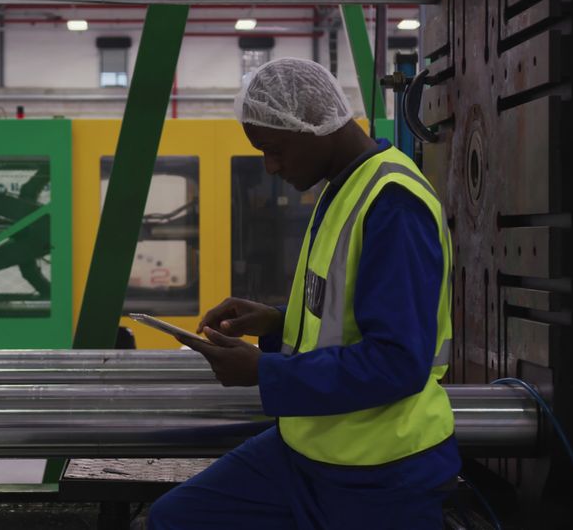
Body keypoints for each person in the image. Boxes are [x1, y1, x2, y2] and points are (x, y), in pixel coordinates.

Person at [147, 58, 459, 529]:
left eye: (274, 150)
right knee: (175, 519)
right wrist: (274, 323)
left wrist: (263, 373)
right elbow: (341, 318)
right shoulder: (341, 187)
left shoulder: (392, 203)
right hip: (307, 450)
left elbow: (398, 361)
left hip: (382, 472)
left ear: (316, 127)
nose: (270, 167)